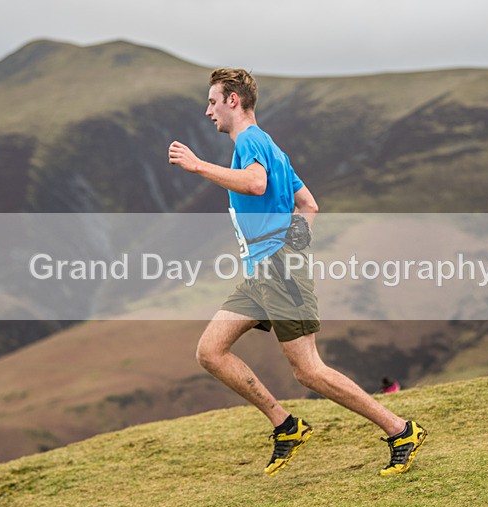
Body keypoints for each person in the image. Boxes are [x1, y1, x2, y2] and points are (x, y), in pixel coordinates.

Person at [168, 68, 427, 476]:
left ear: (233, 100)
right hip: (263, 272)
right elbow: (309, 204)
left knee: (308, 370)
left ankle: (401, 431)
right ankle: (286, 425)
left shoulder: (251, 141)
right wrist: (295, 246)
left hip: (278, 270)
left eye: (213, 101)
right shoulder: (269, 146)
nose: (208, 111)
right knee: (210, 352)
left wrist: (199, 166)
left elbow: (255, 185)